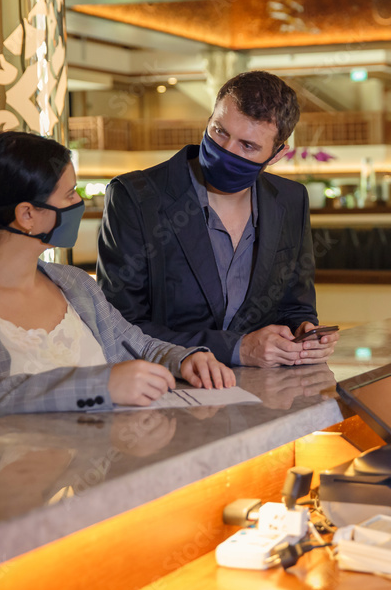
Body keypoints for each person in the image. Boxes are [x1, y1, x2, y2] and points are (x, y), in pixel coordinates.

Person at [0, 131, 235, 428]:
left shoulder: (76, 284)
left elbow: (139, 344)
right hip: (10, 493)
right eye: (70, 194)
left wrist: (186, 358)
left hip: (104, 479)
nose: (80, 203)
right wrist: (101, 385)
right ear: (27, 215)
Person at [96, 70, 338, 368]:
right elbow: (119, 326)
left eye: (247, 146)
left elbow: (295, 305)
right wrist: (237, 348)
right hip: (164, 389)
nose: (225, 151)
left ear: (276, 154)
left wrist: (303, 333)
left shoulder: (290, 200)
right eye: (219, 131)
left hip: (263, 391)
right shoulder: (135, 197)